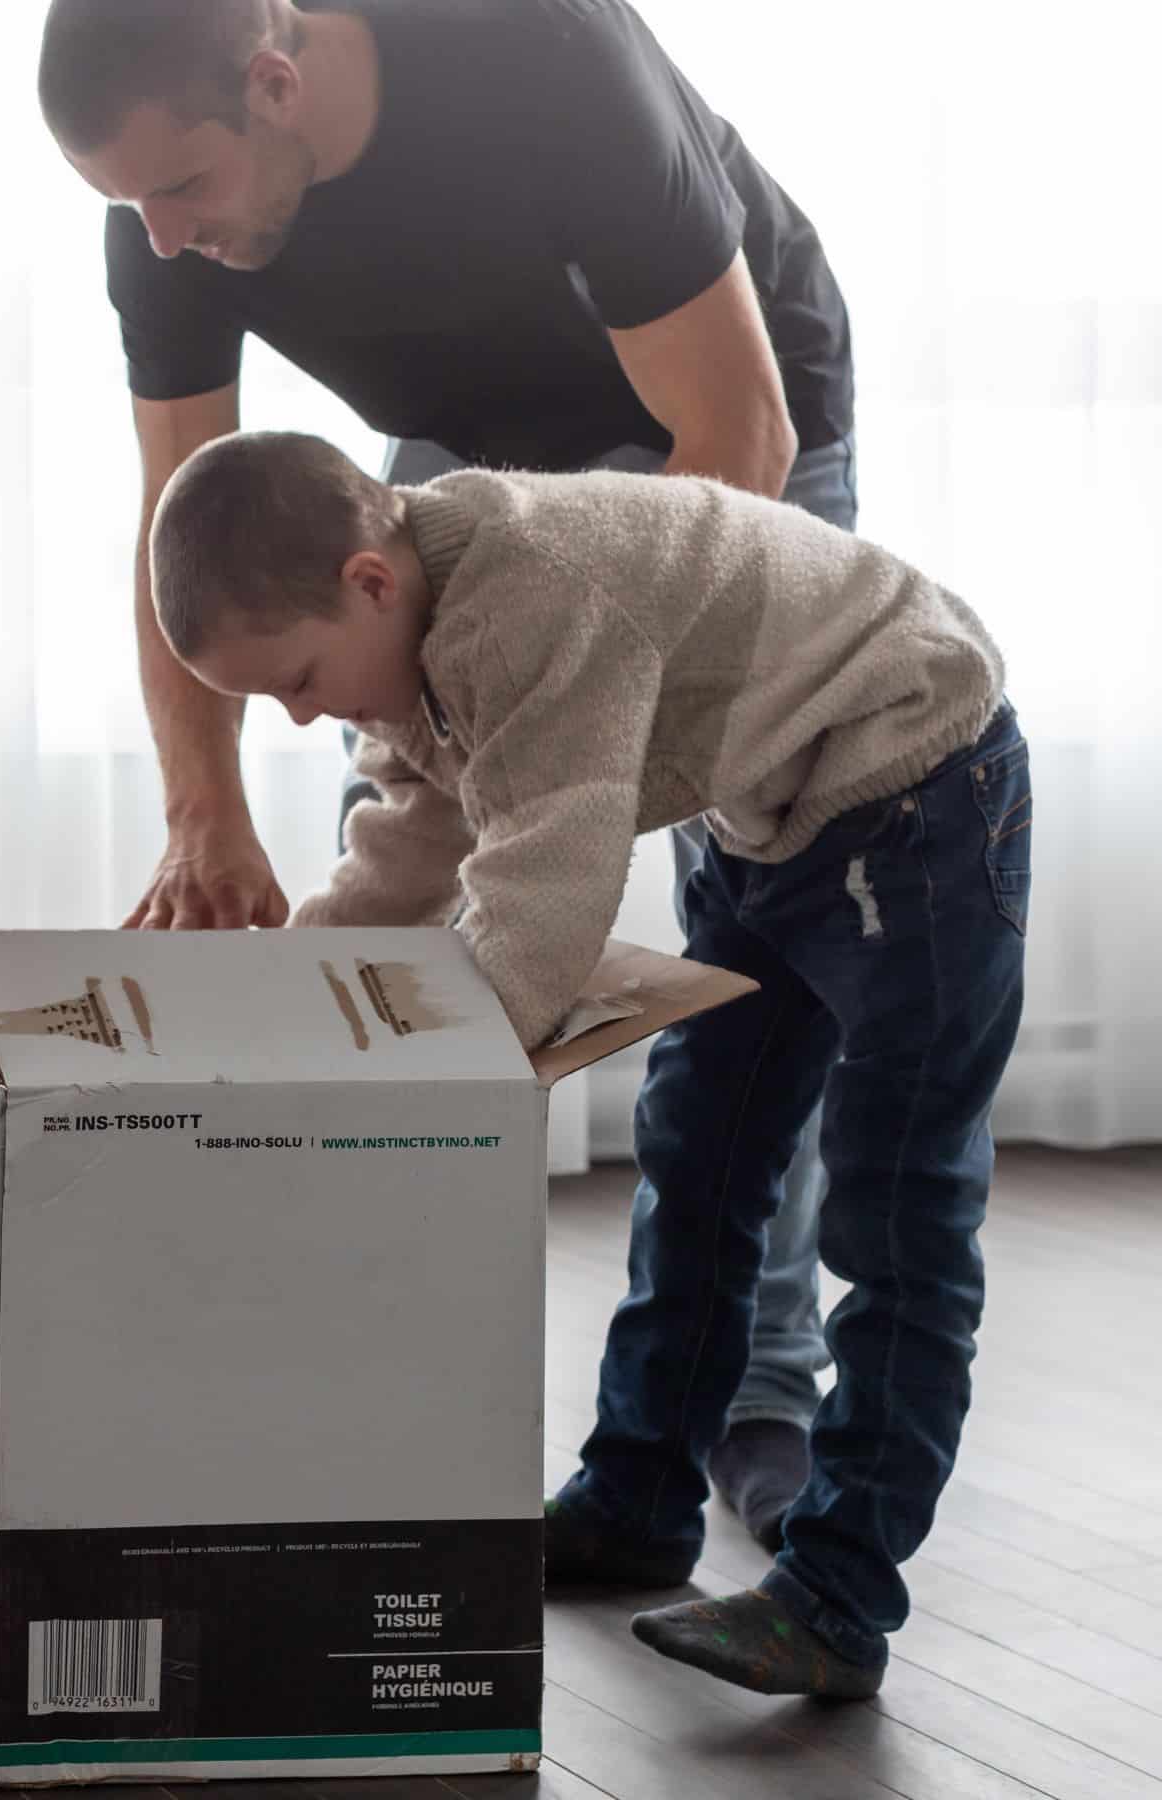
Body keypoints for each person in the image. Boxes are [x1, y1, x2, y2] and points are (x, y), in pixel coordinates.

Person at [37, 0, 853, 1536]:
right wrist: (200, 817)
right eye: (131, 208)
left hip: (716, 427)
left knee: (751, 904)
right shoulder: (163, 228)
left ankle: (758, 1388)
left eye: (184, 191)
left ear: (275, 84)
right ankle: (380, 1342)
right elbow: (182, 535)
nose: (160, 236)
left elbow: (734, 436)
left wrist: (569, 752)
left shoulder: (541, 53)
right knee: (401, 878)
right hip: (459, 464)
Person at [148, 431, 1028, 1700]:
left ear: (369, 582)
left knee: (897, 1206)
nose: (298, 716)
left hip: (919, 790)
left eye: (295, 680)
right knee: (700, 1159)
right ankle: (637, 1501)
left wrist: (401, 1100)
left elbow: (542, 896)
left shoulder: (530, 596)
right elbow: (409, 846)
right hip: (769, 812)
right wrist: (283, 1001)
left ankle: (838, 1596)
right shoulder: (419, 636)